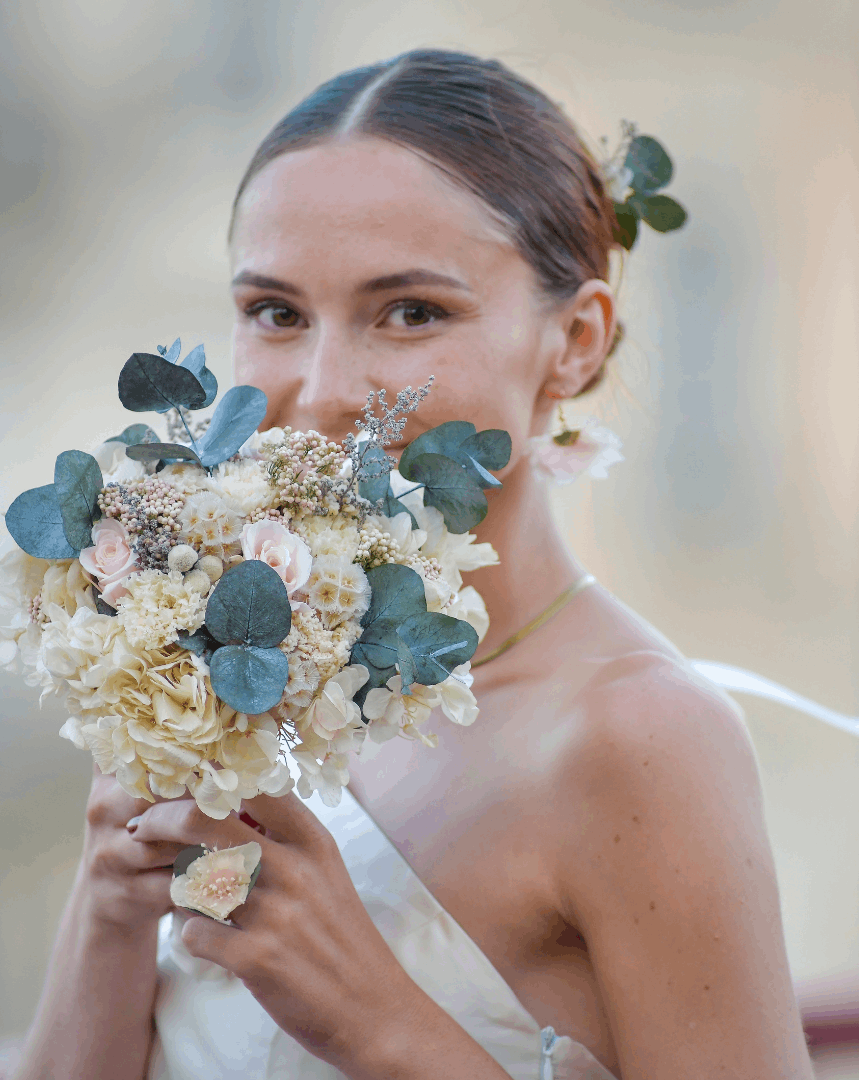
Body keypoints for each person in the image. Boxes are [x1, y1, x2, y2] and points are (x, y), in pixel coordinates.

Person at [14, 49, 815, 1080]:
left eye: (411, 312)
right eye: (277, 313)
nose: (325, 387)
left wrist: (379, 1026)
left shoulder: (640, 738)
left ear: (573, 342)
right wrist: (110, 908)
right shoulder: (232, 672)